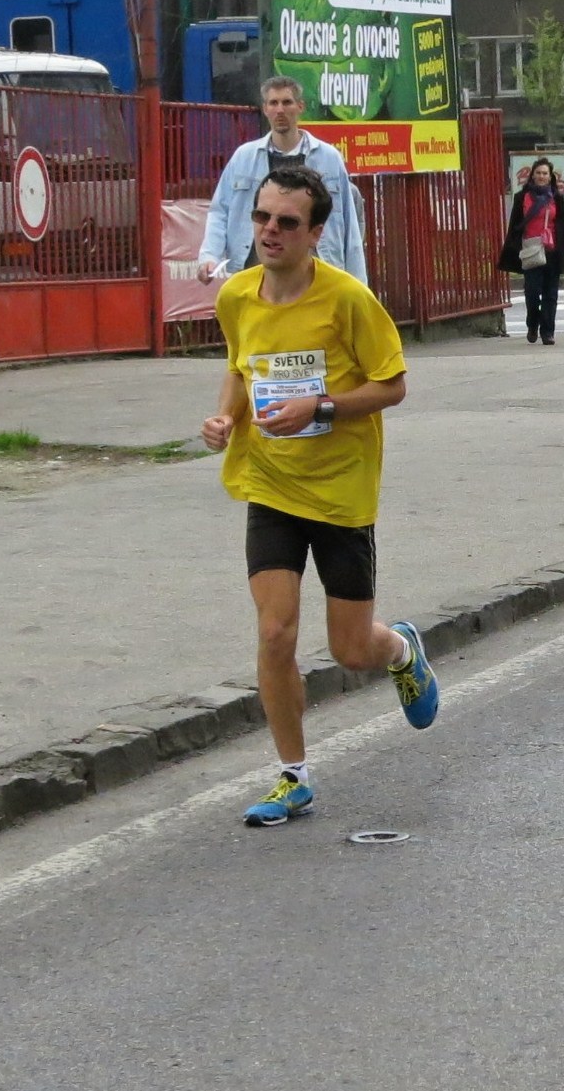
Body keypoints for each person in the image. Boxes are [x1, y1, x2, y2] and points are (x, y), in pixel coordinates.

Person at [201, 167, 439, 827]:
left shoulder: (347, 299)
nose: (270, 231)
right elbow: (239, 366)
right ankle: (293, 776)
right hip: (271, 482)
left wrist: (320, 406)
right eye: (262, 217)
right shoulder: (237, 295)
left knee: (351, 651)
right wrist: (224, 418)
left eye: (287, 222)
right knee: (274, 631)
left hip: (340, 492)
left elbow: (392, 384)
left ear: (315, 233)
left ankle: (401, 649)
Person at [197, 75, 368, 286]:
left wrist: (358, 283)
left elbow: (349, 223)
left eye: (287, 102)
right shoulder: (244, 157)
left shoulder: (329, 158)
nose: (280, 110)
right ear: (265, 109)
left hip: (315, 276)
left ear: (300, 107)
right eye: (273, 103)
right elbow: (219, 211)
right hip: (255, 275)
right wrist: (209, 256)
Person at [497, 158, 564, 344]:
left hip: (553, 251)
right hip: (531, 250)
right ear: (532, 175)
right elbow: (515, 225)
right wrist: (512, 249)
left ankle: (547, 332)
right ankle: (533, 324)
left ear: (550, 177)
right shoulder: (521, 197)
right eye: (538, 173)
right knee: (532, 292)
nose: (541, 176)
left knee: (551, 294)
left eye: (545, 173)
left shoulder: (557, 198)